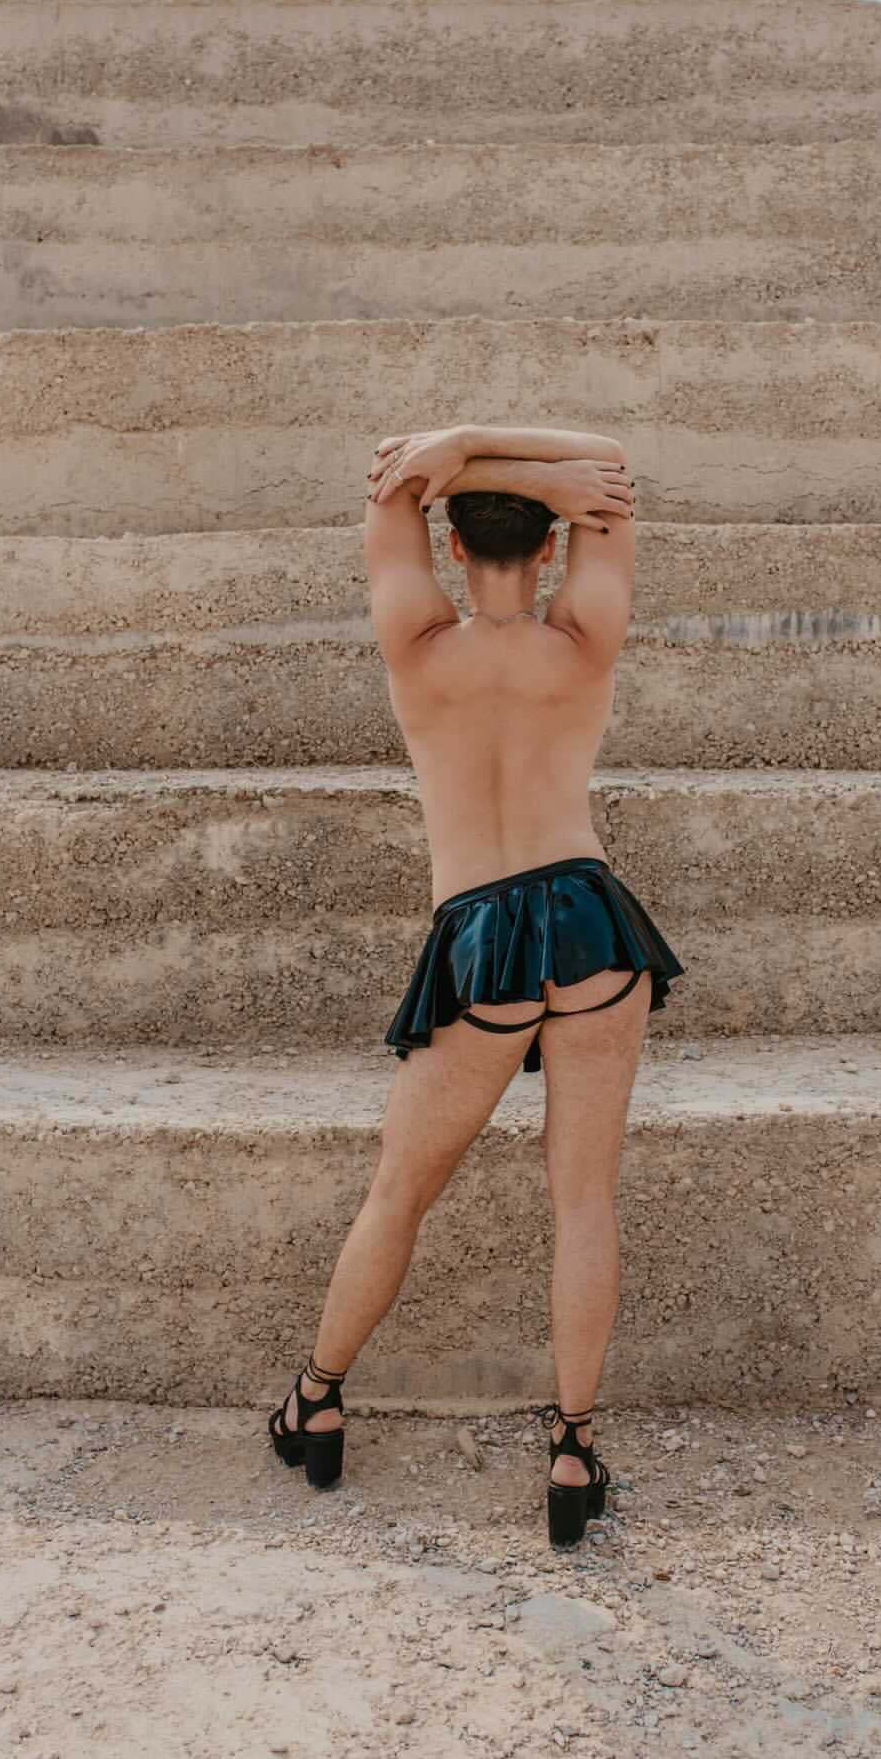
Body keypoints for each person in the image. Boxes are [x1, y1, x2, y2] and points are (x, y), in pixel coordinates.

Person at [268, 423, 685, 1545]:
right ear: (552, 550)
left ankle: (316, 1399)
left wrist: (458, 449)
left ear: (451, 546)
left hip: (482, 930)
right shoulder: (585, 636)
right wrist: (525, 466)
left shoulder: (416, 638)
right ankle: (573, 1450)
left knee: (398, 1192)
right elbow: (608, 462)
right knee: (583, 1198)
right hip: (590, 918)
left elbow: (392, 478)